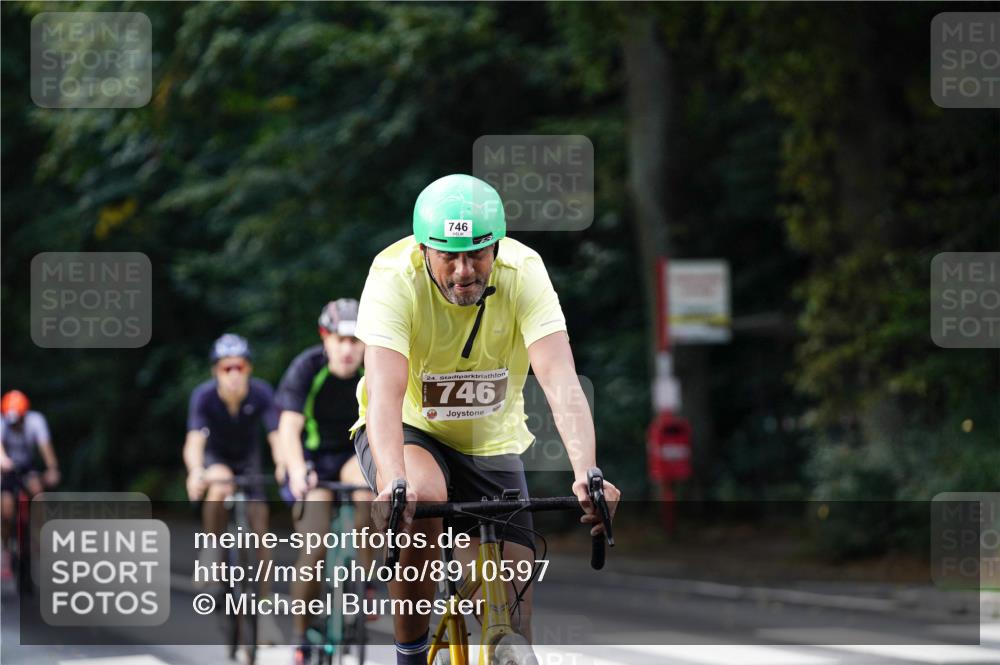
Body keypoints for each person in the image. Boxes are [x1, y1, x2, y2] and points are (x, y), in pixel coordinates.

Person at [349, 174, 621, 665]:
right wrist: (393, 482)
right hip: (411, 430)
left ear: (496, 246)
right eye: (447, 256)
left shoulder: (525, 272)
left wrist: (588, 471)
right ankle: (408, 653)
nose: (462, 271)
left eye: (476, 254)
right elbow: (384, 399)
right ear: (423, 249)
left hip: (490, 440)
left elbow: (560, 378)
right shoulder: (392, 277)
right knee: (422, 496)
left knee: (513, 614)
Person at [278, 299, 376, 664]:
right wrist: (297, 468)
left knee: (367, 494)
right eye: (340, 339)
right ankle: (301, 634)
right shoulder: (307, 367)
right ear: (325, 338)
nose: (348, 349)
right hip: (314, 460)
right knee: (314, 546)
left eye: (356, 341)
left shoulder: (375, 368)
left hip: (352, 455)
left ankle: (365, 582)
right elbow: (289, 427)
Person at [182, 333, 282, 642]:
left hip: (249, 462)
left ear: (248, 368)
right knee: (220, 483)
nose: (234, 374)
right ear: (216, 371)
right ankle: (213, 547)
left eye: (240, 367)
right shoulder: (203, 397)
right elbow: (194, 442)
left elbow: (276, 435)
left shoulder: (262, 393)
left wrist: (282, 465)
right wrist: (196, 471)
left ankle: (263, 612)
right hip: (218, 459)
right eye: (227, 369)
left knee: (261, 530)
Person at [0, 390, 60, 579]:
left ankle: (41, 539)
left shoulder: (36, 421)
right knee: (7, 510)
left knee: (38, 495)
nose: (14, 423)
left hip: (27, 467)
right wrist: (3, 460)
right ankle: (6, 550)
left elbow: (45, 446)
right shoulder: (2, 423)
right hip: (7, 468)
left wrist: (52, 468)